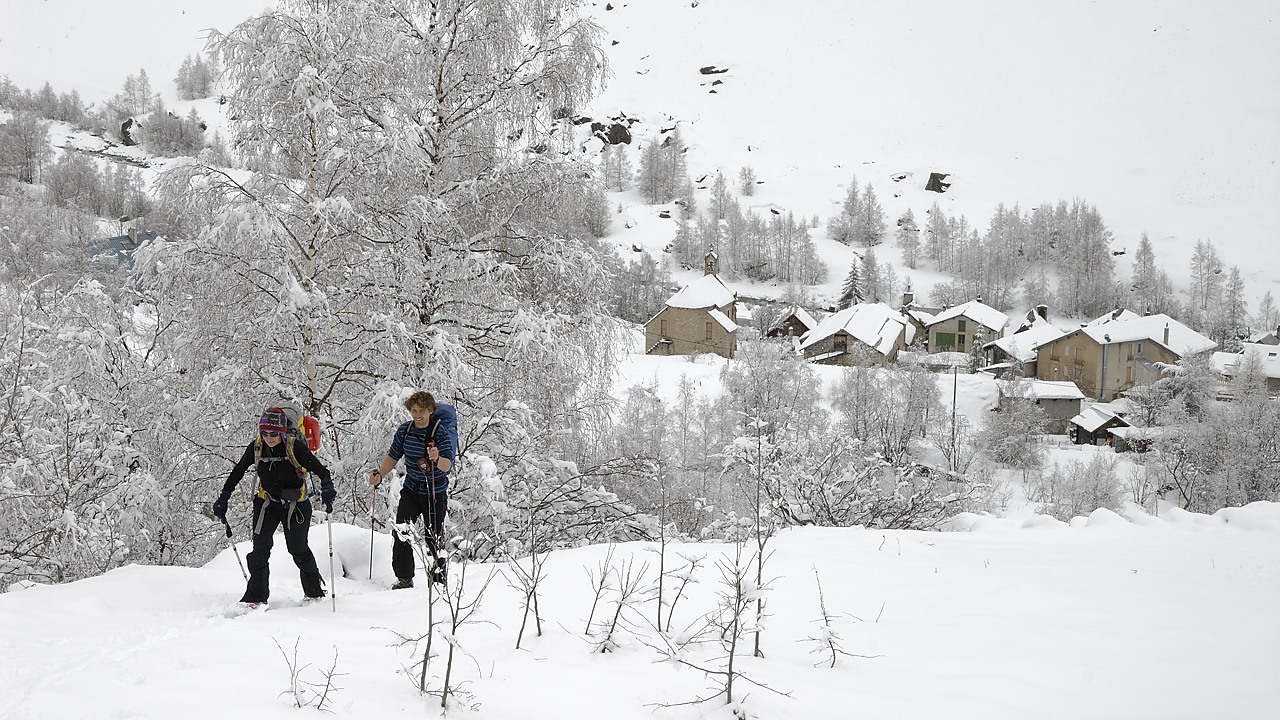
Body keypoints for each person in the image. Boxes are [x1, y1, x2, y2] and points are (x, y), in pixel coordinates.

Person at [212, 407, 336, 605]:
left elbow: (321, 471)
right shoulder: (257, 447)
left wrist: (327, 487)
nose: (269, 437)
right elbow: (238, 471)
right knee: (260, 550)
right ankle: (256, 597)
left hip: (296, 504)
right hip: (267, 501)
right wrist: (224, 497)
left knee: (298, 549)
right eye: (265, 433)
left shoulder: (295, 447)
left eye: (274, 433)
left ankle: (313, 592)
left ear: (282, 432)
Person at [369, 391, 457, 589]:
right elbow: (393, 456)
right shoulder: (405, 431)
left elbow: (447, 466)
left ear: (431, 411)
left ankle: (438, 582)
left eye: (422, 411)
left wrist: (436, 457)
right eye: (414, 410)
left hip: (435, 492)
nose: (417, 415)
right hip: (411, 489)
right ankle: (404, 578)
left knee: (433, 537)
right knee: (401, 532)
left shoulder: (440, 432)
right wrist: (380, 474)